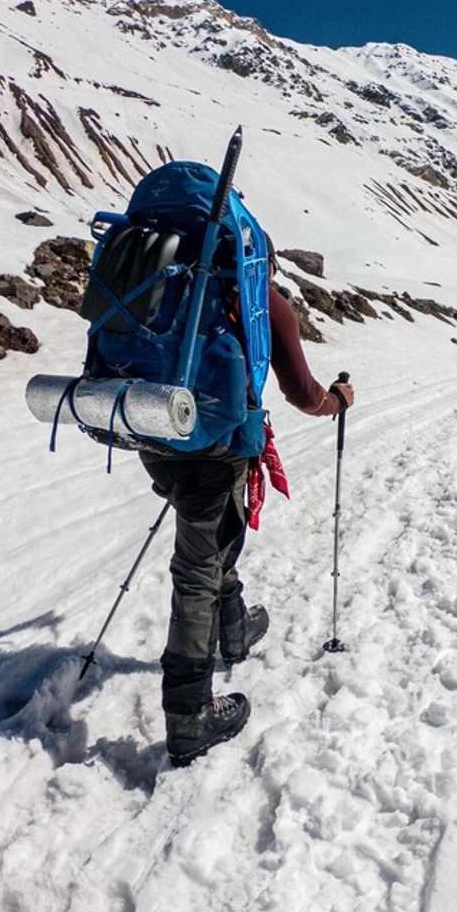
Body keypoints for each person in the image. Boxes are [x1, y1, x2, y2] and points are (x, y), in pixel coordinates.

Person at [142, 252, 354, 767]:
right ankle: (189, 713)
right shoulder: (261, 301)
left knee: (217, 538)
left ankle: (233, 630)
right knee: (197, 566)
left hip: (153, 427)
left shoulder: (169, 284)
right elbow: (304, 393)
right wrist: (338, 401)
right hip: (216, 447)